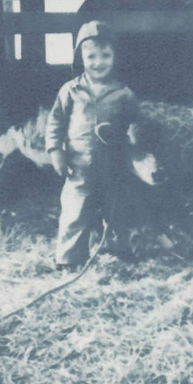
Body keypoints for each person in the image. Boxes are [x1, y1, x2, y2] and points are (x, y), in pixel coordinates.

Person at [45, 20, 138, 270]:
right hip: (79, 164)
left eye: (105, 55)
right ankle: (68, 258)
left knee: (116, 209)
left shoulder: (124, 93)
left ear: (115, 57)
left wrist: (132, 152)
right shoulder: (70, 90)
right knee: (75, 210)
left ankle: (119, 250)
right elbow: (55, 122)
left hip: (113, 163)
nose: (98, 62)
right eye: (91, 56)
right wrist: (55, 151)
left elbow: (135, 126)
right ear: (80, 57)